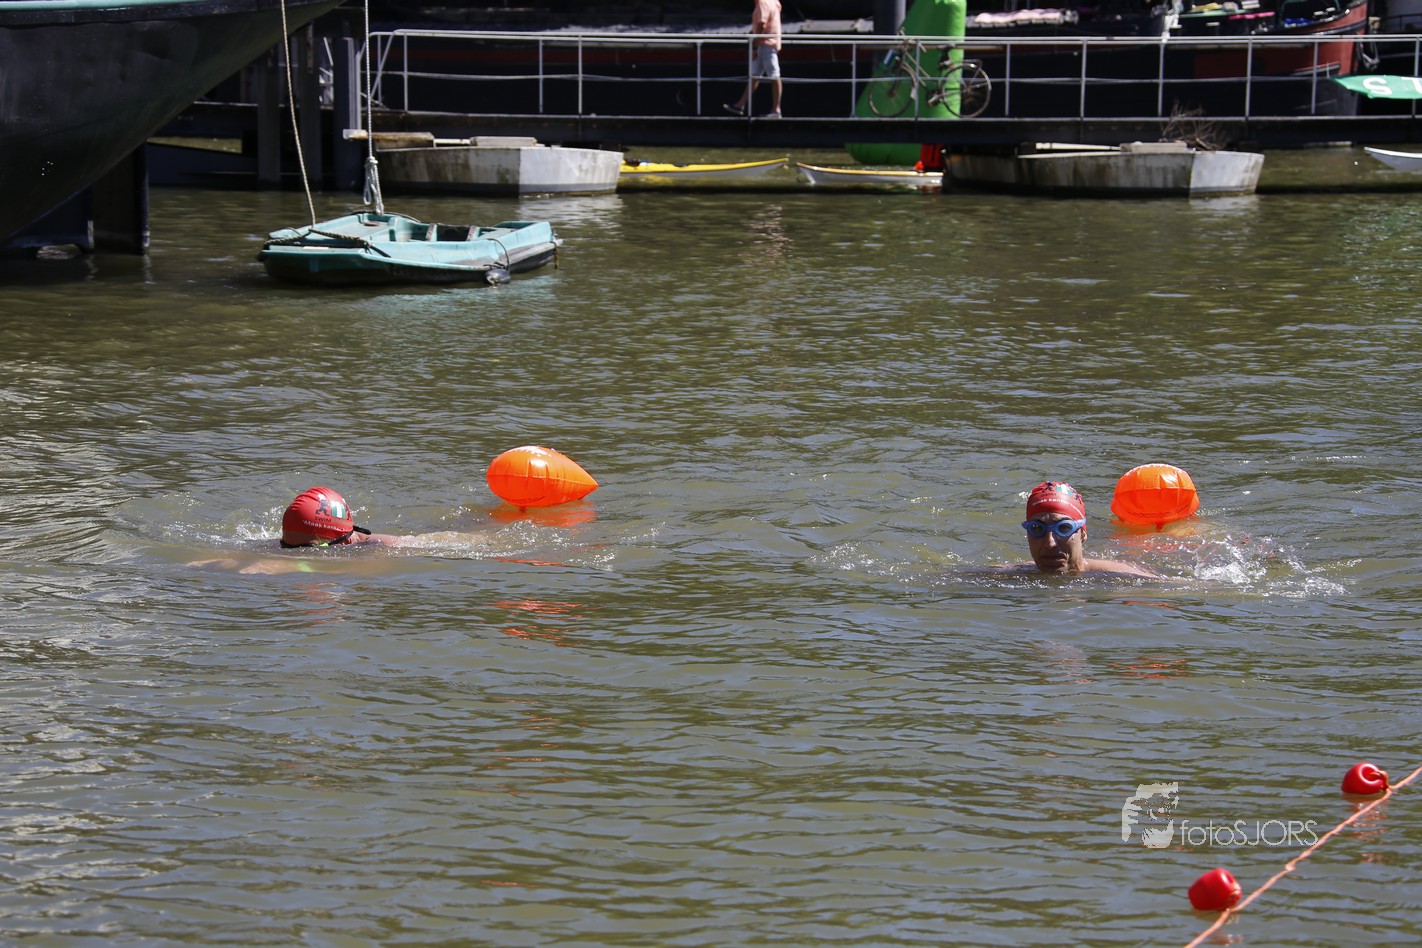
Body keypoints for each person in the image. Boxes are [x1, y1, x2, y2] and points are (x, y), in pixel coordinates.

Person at [1010, 481, 1161, 578]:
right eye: (1037, 528)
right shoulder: (1010, 576)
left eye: (1064, 528)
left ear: (1083, 534)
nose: (1050, 543)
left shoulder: (1123, 577)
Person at [724, 0, 783, 118]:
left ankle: (776, 109)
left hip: (766, 44)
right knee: (754, 75)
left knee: (774, 75)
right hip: (764, 44)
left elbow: (762, 24)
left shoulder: (763, 3)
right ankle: (740, 105)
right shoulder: (773, 2)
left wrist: (754, 46)